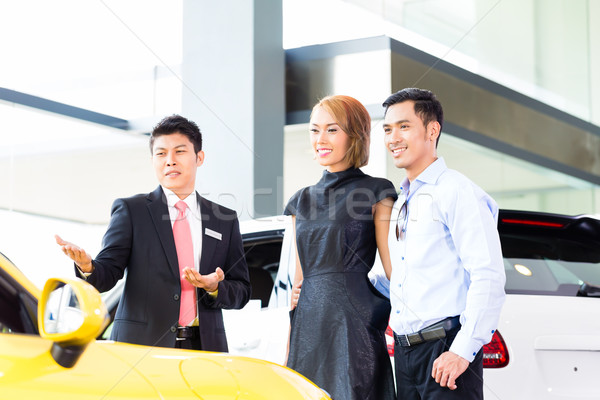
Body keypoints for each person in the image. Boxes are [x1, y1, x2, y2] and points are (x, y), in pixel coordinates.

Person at [55, 114, 251, 351]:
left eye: (179, 151)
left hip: (205, 347)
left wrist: (214, 287)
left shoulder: (224, 219)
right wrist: (88, 266)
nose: (170, 161)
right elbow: (106, 274)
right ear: (153, 160)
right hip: (141, 348)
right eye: (161, 153)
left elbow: (242, 291)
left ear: (199, 157)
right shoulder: (131, 211)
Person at [382, 87, 506, 399]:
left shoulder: (456, 191)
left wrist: (462, 351)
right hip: (406, 354)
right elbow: (399, 278)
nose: (393, 138)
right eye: (387, 129)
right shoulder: (403, 201)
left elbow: (487, 274)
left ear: (432, 130)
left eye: (404, 126)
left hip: (445, 350)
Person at [284, 95, 397, 400]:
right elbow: (299, 280)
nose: (320, 139)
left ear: (356, 134)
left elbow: (393, 268)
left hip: (354, 321)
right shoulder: (300, 200)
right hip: (309, 324)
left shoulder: (377, 191)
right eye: (314, 130)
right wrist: (290, 344)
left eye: (332, 130)